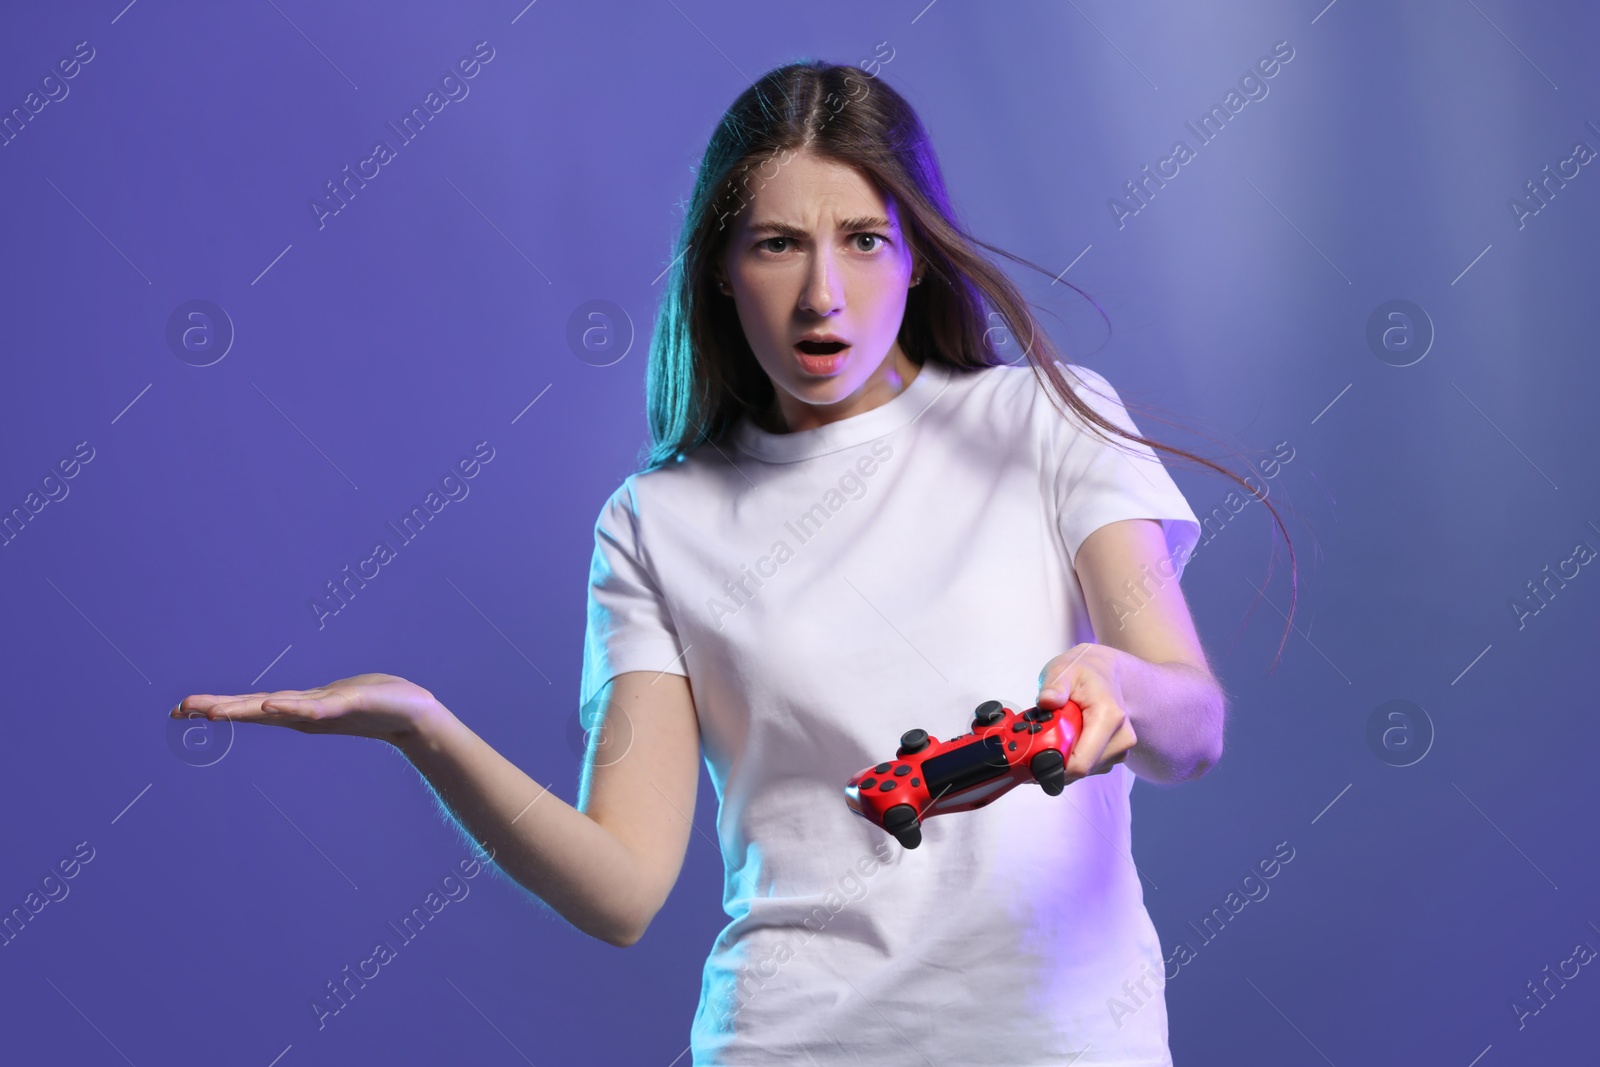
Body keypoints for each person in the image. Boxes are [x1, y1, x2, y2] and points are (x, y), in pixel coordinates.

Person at [174, 60, 1294, 1066]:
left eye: (862, 239)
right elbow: (620, 887)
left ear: (915, 256)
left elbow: (1191, 725)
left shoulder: (1048, 419)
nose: (822, 294)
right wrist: (426, 728)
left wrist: (1118, 685)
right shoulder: (657, 521)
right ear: (719, 268)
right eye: (776, 243)